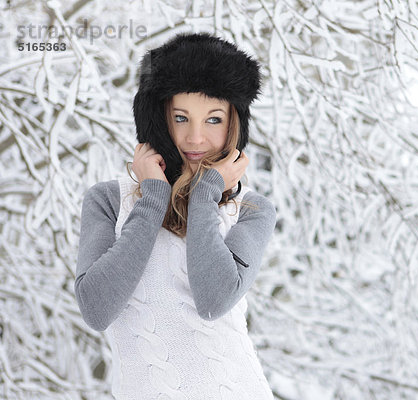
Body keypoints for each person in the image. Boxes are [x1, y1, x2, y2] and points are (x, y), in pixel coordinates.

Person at [75, 32, 277, 399]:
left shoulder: (250, 210)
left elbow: (213, 301)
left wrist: (204, 197)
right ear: (157, 119)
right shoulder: (108, 201)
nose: (195, 138)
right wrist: (153, 199)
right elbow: (96, 308)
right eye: (181, 118)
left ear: (234, 124)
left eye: (213, 120)